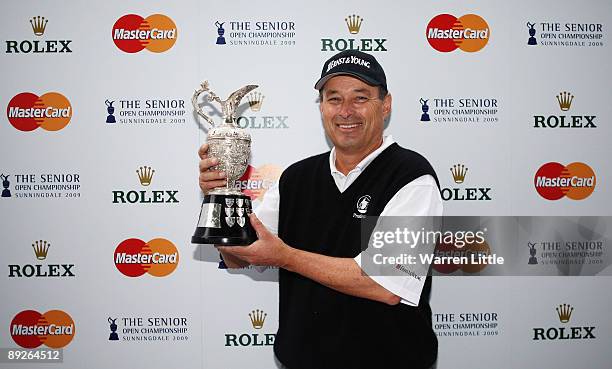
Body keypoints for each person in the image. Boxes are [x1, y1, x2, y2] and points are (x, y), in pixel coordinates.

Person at [198, 50, 442, 369]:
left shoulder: (412, 176)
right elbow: (237, 255)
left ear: (386, 105)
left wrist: (285, 256)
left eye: (360, 97)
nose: (345, 111)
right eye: (334, 98)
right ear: (322, 107)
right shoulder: (297, 177)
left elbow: (385, 285)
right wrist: (220, 196)